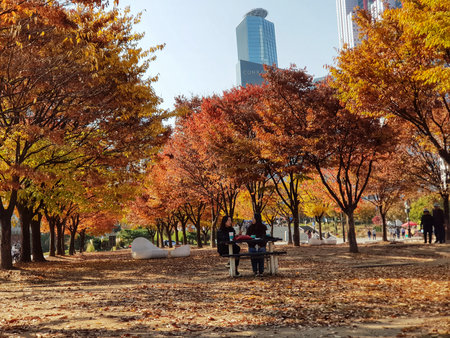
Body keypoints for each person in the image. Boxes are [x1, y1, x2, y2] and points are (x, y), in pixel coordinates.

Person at [246, 213, 267, 277]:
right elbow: (247, 238)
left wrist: (260, 245)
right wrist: (253, 245)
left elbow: (264, 238)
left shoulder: (263, 227)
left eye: (253, 218)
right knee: (253, 253)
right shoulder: (250, 227)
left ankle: (261, 271)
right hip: (252, 246)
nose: (252, 219)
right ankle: (255, 271)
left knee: (261, 253)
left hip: (261, 245)